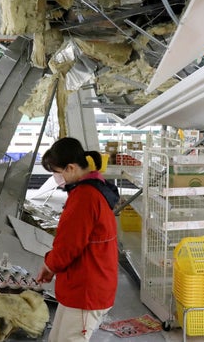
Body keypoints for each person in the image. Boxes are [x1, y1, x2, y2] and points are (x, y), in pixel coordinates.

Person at [36, 137, 120, 341]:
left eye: (56, 172)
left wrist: (49, 265)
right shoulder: (93, 188)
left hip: (87, 289)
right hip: (83, 282)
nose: (56, 177)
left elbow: (67, 247)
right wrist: (51, 266)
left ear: (71, 168)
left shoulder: (85, 198)